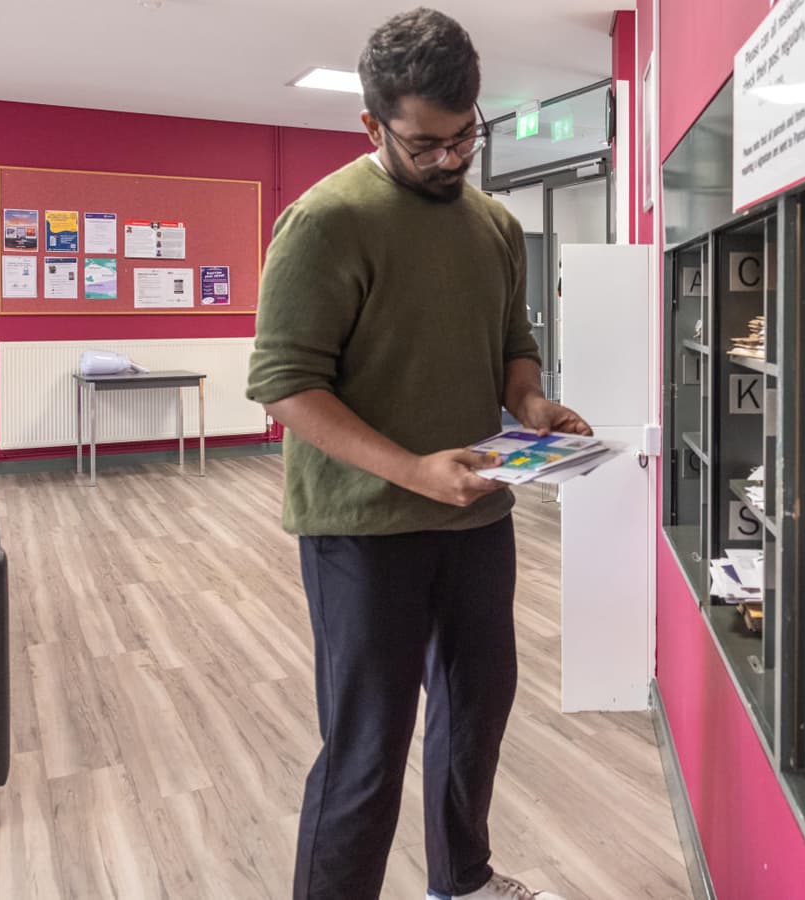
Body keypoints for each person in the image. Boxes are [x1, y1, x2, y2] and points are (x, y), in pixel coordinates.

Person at [246, 9, 589, 900]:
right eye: (425, 143)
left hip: (478, 517)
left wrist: (531, 404)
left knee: (477, 717)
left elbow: (513, 341)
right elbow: (287, 386)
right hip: (362, 529)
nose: (449, 159)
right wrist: (411, 470)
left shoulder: (495, 225)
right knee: (368, 748)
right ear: (372, 125)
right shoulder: (322, 222)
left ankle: (462, 882)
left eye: (464, 136)